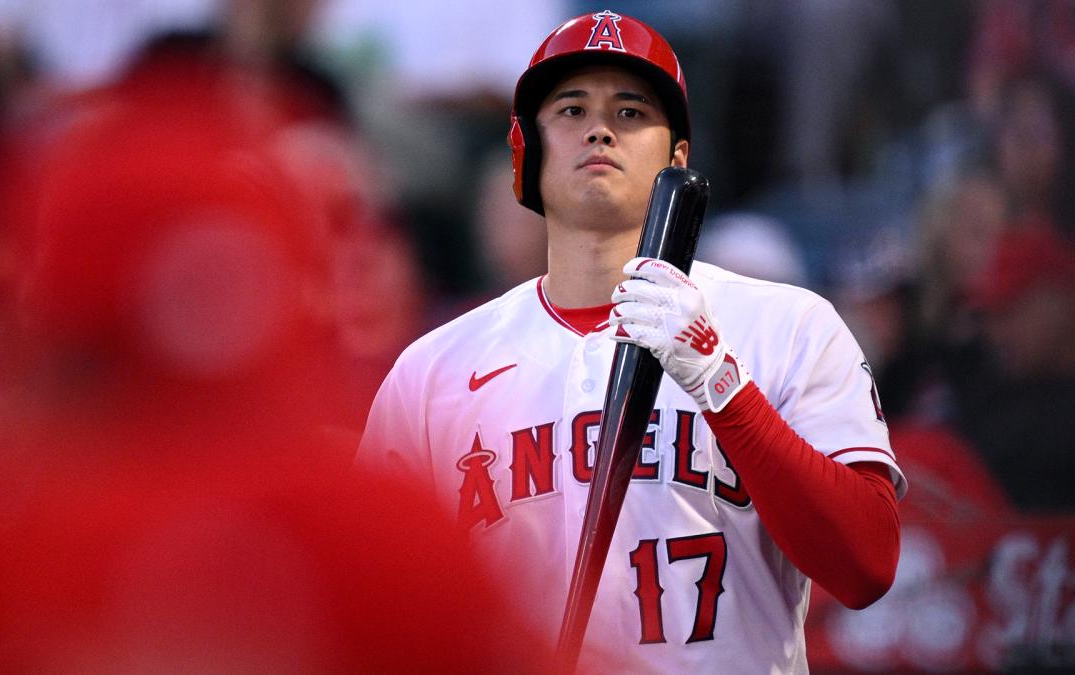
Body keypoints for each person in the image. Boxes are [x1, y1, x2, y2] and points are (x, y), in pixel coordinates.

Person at [358, 10, 905, 673]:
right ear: (525, 153)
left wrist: (719, 383)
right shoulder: (433, 370)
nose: (599, 128)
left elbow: (866, 565)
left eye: (630, 111)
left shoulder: (787, 324)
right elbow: (372, 611)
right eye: (570, 109)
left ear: (677, 156)